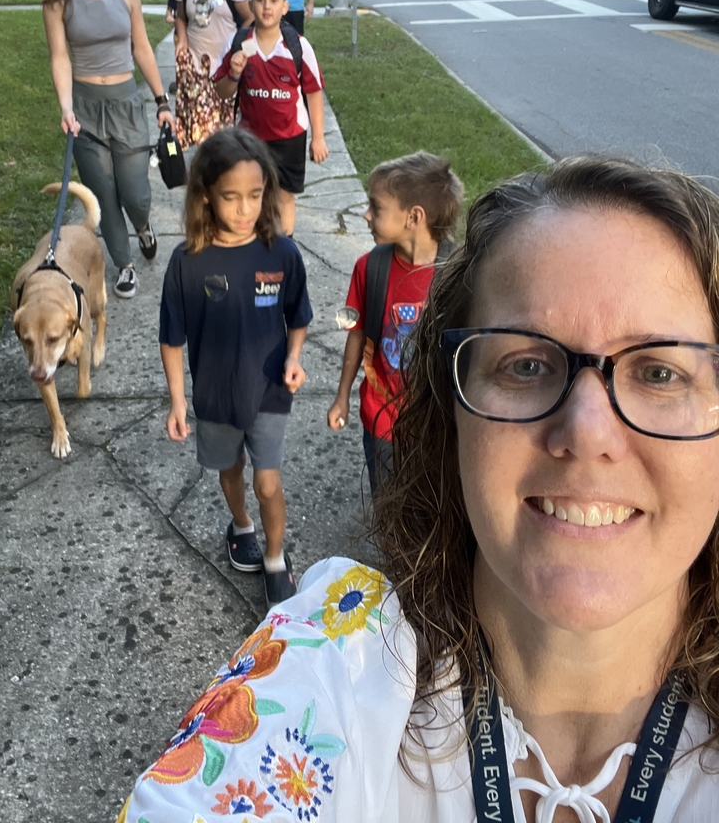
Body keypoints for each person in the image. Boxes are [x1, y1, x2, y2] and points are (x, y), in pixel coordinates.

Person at [121, 154, 719, 822]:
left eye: (660, 374)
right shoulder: (337, 660)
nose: (586, 431)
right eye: (525, 364)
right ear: (449, 411)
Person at [159, 128, 312, 608]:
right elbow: (172, 338)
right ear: (206, 196)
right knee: (231, 469)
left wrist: (293, 357)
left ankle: (273, 558)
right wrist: (179, 401)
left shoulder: (283, 253)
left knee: (268, 481)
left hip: (268, 393)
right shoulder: (187, 263)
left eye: (254, 195)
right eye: (231, 197)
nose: (245, 209)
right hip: (215, 398)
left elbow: (299, 316)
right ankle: (240, 526)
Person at [42, 0, 174, 300]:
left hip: (126, 102)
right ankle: (125, 265)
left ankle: (144, 225)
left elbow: (142, 48)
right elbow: (60, 57)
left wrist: (161, 100)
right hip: (85, 108)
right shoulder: (56, 2)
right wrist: (66, 107)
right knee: (103, 195)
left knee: (134, 192)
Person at [327, 153, 463, 492]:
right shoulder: (369, 269)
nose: (366, 214)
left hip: (436, 423)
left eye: (376, 208)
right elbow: (356, 336)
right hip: (382, 417)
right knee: (387, 502)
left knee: (432, 503)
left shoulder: (458, 275)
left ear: (413, 217)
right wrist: (342, 396)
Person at [214, 0, 328, 236]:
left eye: (274, 0)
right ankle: (253, 241)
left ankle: (284, 246)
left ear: (284, 7)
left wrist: (318, 138)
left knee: (284, 196)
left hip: (289, 136)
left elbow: (313, 93)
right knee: (252, 193)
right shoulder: (239, 45)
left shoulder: (297, 47)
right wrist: (233, 74)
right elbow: (222, 91)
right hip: (250, 139)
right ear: (251, 4)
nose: (267, 7)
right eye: (261, 0)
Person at [174, 0, 252, 148]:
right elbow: (180, 17)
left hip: (224, 67)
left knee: (224, 125)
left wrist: (238, 42)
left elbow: (249, 16)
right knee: (202, 127)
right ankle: (208, 166)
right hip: (197, 66)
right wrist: (182, 39)